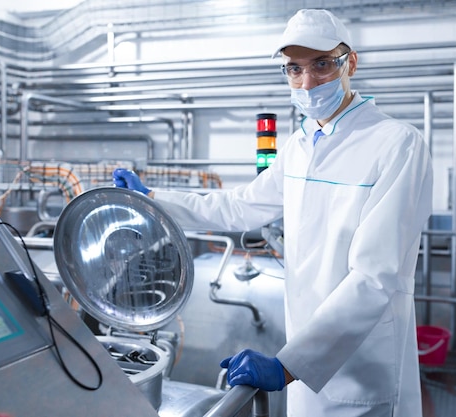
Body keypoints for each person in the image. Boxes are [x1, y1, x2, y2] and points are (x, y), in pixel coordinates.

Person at [113, 8, 433, 417]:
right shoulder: (300, 145)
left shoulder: (396, 145)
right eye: (294, 69)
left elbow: (375, 276)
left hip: (363, 373)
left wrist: (287, 365)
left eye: (322, 64)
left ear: (350, 62)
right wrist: (154, 197)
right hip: (303, 365)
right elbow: (240, 205)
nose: (307, 81)